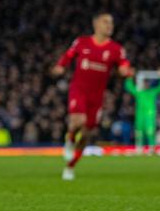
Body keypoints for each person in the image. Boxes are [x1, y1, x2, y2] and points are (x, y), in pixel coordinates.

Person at [51, 12, 133, 181]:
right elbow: (68, 55)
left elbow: (124, 64)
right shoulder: (82, 42)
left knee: (87, 134)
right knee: (77, 121)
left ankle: (70, 166)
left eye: (111, 23)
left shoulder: (116, 49)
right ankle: (70, 139)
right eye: (106, 22)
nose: (109, 26)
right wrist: (60, 66)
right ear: (96, 24)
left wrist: (126, 70)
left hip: (97, 97)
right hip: (78, 89)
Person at [124, 69, 160, 155]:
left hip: (150, 115)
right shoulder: (139, 93)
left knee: (150, 132)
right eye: (145, 83)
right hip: (140, 115)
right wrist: (129, 77)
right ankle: (139, 149)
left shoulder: (152, 92)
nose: (146, 85)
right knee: (139, 133)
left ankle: (152, 148)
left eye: (147, 83)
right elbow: (128, 87)